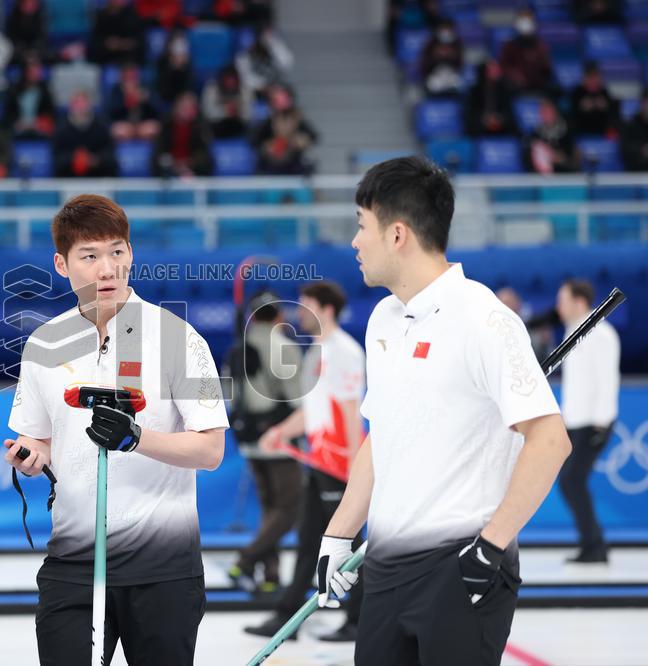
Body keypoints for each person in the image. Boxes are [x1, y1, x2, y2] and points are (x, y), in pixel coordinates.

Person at [316, 156, 571, 665]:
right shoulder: (383, 321)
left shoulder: (484, 320)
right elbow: (381, 436)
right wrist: (338, 534)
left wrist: (492, 545)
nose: (354, 241)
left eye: (362, 225)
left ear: (398, 235)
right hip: (387, 570)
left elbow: (550, 440)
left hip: (461, 569)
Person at [5, 194, 228, 665]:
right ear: (62, 265)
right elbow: (38, 437)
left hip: (163, 568)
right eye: (89, 256)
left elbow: (210, 450)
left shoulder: (182, 338)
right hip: (74, 564)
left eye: (117, 251)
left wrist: (138, 439)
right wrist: (31, 455)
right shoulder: (43, 344)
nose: (107, 269)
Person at [245, 281, 365, 642]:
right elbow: (314, 410)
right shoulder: (317, 351)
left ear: (326, 309)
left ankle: (358, 621)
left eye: (307, 305)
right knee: (308, 540)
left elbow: (349, 411)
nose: (299, 312)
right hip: (319, 462)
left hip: (338, 465)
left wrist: (354, 469)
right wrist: (281, 430)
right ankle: (289, 619)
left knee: (348, 543)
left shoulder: (343, 350)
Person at [225, 293, 302, 596]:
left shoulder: (237, 347)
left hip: (248, 436)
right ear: (279, 315)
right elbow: (297, 398)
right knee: (289, 509)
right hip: (278, 436)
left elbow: (229, 393)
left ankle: (270, 576)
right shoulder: (282, 346)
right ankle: (246, 560)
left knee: (272, 508)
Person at [556, 279, 620, 564]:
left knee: (572, 480)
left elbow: (607, 380)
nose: (559, 307)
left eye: (563, 300)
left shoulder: (601, 334)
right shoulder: (574, 331)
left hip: (593, 423)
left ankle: (594, 545)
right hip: (575, 422)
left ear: (579, 301)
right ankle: (592, 544)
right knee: (571, 482)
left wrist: (602, 422)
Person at [253, 83, 317, 175]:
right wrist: (269, 146)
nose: (280, 101)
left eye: (283, 97)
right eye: (277, 98)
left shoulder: (298, 119)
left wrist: (299, 141)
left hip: (294, 168)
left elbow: (313, 136)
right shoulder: (268, 121)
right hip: (272, 169)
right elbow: (255, 141)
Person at [53, 90, 117, 177]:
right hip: (69, 181)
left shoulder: (101, 127)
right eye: (77, 103)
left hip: (98, 179)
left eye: (83, 103)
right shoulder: (61, 129)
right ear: (71, 106)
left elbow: (110, 156)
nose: (81, 107)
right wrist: (74, 159)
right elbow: (57, 158)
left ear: (90, 105)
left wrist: (95, 160)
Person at [152, 91, 212, 177]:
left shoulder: (200, 128)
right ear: (177, 108)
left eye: (191, 108)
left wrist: (189, 164)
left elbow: (205, 156)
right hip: (169, 173)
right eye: (185, 107)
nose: (188, 111)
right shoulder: (166, 127)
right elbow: (158, 154)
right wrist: (173, 165)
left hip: (194, 174)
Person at [499, 9, 554, 95]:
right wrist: (517, 77)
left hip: (537, 86)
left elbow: (547, 69)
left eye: (528, 20)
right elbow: (504, 67)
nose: (526, 24)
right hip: (515, 87)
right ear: (516, 24)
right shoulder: (509, 46)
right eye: (523, 21)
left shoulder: (541, 46)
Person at [107, 62, 160, 143]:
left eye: (132, 77)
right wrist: (126, 100)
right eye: (127, 78)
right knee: (116, 129)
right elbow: (110, 112)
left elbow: (158, 111)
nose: (130, 81)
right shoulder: (116, 90)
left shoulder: (145, 88)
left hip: (143, 125)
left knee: (154, 127)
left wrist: (147, 100)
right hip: (125, 126)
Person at [526, 97, 580, 174]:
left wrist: (562, 159)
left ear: (556, 112)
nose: (546, 115)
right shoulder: (535, 134)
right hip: (544, 176)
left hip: (566, 172)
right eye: (543, 112)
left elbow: (573, 156)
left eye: (549, 111)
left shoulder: (567, 131)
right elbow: (530, 160)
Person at [464, 60, 517, 137]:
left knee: (512, 125)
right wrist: (485, 119)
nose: (497, 71)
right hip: (480, 124)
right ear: (485, 72)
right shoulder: (475, 91)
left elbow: (508, 111)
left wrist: (498, 119)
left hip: (500, 124)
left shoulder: (504, 90)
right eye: (493, 69)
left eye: (498, 69)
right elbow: (471, 112)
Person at [201, 64, 253, 139]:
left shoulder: (245, 91)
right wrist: (225, 111)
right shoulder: (211, 89)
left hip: (239, 126)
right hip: (216, 126)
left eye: (233, 81)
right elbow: (207, 113)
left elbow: (249, 115)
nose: (230, 84)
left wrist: (238, 111)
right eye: (228, 81)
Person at [569, 61, 618, 137]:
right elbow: (571, 114)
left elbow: (614, 114)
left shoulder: (605, 92)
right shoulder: (577, 93)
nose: (593, 81)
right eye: (590, 78)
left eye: (595, 78)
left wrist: (606, 107)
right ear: (584, 79)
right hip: (581, 131)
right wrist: (581, 107)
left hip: (603, 132)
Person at [89, 0, 145, 66]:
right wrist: (107, 43)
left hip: (129, 59)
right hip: (106, 59)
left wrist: (123, 44)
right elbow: (95, 41)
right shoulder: (101, 16)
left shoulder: (132, 15)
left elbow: (139, 40)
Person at [419, 18, 463, 97]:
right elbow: (424, 64)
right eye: (444, 28)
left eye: (448, 29)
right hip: (435, 74)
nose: (446, 31)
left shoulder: (456, 43)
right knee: (432, 85)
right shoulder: (431, 43)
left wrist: (451, 56)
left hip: (451, 73)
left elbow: (460, 63)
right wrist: (436, 56)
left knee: (459, 84)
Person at [620, 92, 648, 171]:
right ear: (642, 104)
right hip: (637, 172)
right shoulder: (631, 125)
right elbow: (624, 148)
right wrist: (642, 150)